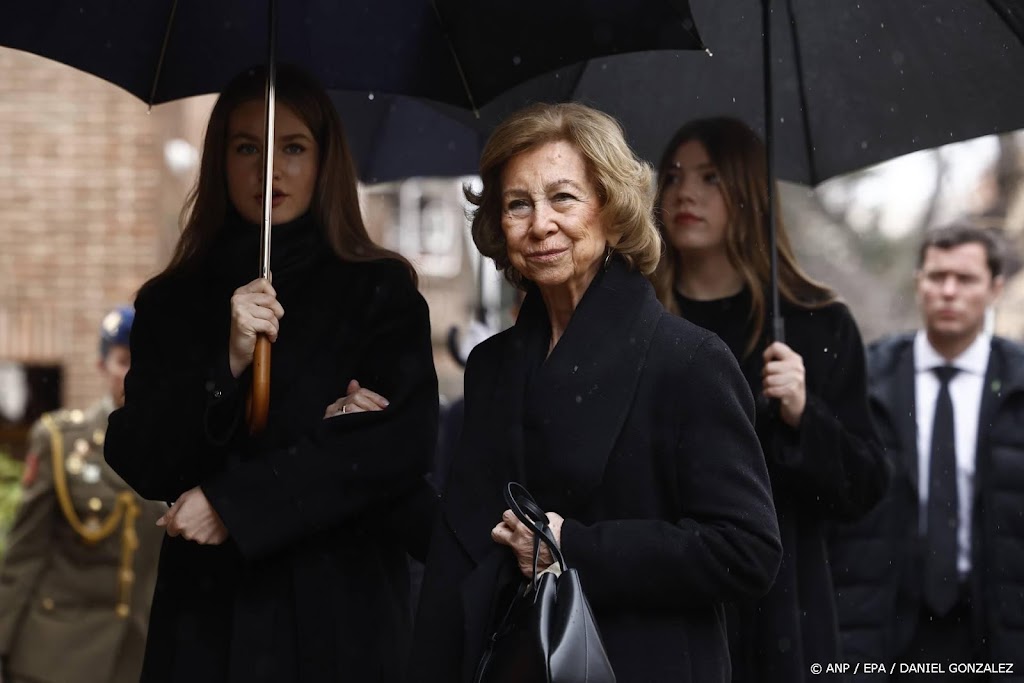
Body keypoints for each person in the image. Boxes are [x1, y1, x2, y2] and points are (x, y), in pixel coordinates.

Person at [409, 102, 783, 683]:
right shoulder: (492, 366)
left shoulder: (687, 360)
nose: (539, 224)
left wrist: (575, 548)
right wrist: (363, 440)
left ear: (612, 212)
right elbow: (464, 540)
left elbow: (746, 551)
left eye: (563, 197)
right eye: (517, 204)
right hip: (511, 661)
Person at [103, 65, 439, 683]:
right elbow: (142, 453)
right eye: (246, 147)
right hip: (209, 622)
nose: (269, 169)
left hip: (339, 618)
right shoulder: (172, 302)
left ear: (324, 160)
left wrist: (232, 502)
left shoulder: (380, 293)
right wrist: (225, 364)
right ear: (219, 160)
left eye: (292, 147)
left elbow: (399, 444)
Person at [652, 117, 888, 681]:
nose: (686, 192)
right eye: (674, 175)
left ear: (749, 193)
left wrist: (805, 415)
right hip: (668, 601)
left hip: (784, 612)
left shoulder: (816, 325)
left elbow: (865, 487)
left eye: (711, 177)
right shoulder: (638, 324)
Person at [830, 224, 1024, 680]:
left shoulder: (1016, 382)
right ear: (918, 282)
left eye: (966, 279)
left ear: (995, 288)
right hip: (884, 619)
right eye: (936, 277)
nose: (949, 292)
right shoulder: (864, 377)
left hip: (993, 621)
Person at [0, 307, 166, 683]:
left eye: (146, 361)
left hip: (136, 658)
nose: (135, 373)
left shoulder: (177, 451)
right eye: (124, 360)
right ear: (102, 366)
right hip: (55, 656)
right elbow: (23, 557)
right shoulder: (60, 441)